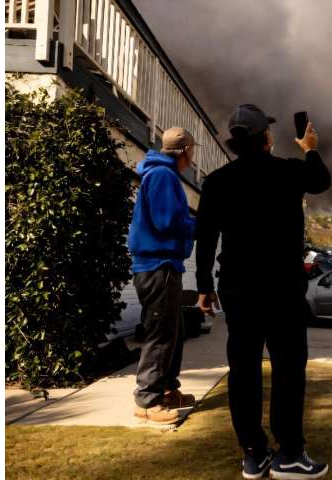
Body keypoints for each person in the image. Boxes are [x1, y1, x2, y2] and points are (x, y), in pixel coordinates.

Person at [195, 104, 331, 479]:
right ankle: (289, 454)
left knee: (243, 372)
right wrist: (310, 147)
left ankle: (253, 454)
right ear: (266, 137)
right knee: (288, 370)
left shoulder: (218, 181)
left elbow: (204, 238)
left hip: (238, 292)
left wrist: (204, 286)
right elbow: (321, 180)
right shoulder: (288, 172)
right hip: (283, 291)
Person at [128, 127, 198, 425]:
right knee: (160, 333)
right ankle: (148, 400)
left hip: (164, 265)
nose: (193, 158)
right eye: (192, 151)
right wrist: (200, 225)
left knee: (173, 332)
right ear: (184, 151)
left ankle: (168, 389)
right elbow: (167, 221)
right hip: (158, 266)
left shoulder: (163, 175)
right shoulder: (162, 176)